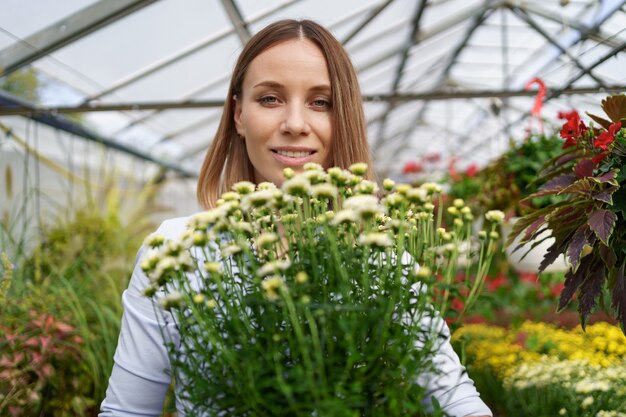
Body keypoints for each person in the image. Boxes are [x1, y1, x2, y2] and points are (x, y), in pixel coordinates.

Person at [99, 19, 492, 417]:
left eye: (321, 102)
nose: (295, 124)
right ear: (238, 115)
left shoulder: (384, 264)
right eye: (270, 99)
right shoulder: (176, 251)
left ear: (344, 121)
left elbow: (457, 401)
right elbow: (127, 411)